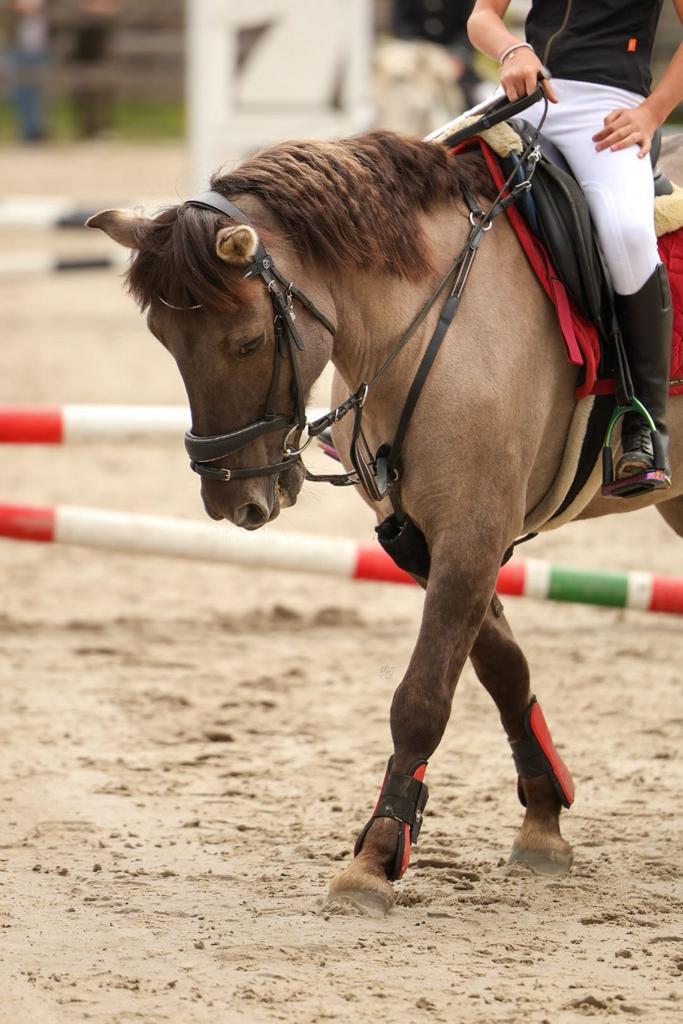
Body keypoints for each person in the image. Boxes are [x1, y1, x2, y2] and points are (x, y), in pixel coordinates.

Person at [467, 1, 683, 484]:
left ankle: (644, 424)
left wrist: (651, 113)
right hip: (522, 93)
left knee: (627, 234)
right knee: (416, 180)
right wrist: (513, 50)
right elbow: (482, 15)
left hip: (608, 108)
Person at [392, 0, 486, 109]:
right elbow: (400, 25)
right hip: (416, 54)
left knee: (477, 96)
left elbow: (468, 28)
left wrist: (459, 55)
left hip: (452, 56)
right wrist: (421, 49)